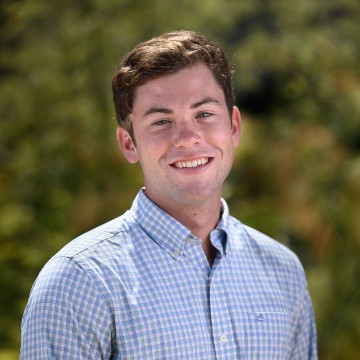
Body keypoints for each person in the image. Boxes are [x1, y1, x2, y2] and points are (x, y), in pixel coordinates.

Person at [20, 30, 317, 359]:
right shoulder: (79, 282)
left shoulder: (283, 271)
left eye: (204, 114)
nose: (188, 138)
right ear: (129, 144)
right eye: (161, 121)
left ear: (233, 126)